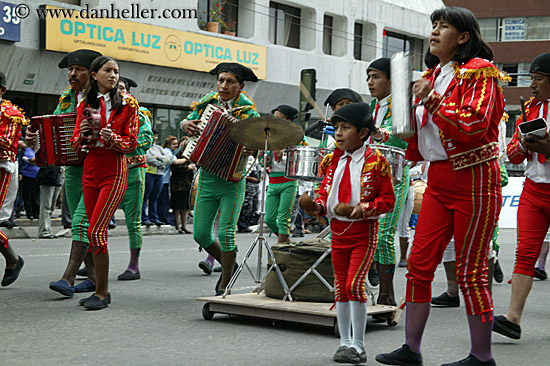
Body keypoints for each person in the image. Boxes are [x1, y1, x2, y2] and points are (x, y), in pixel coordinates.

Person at [376, 7, 507, 366]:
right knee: (419, 264)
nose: (434, 31)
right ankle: (411, 349)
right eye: (433, 25)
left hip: (476, 179)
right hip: (438, 179)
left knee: (472, 271)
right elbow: (418, 137)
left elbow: (473, 127)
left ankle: (482, 356)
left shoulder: (482, 73)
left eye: (443, 26)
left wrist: (430, 98)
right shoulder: (432, 74)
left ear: (463, 37)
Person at [302, 102, 396, 364]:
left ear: (364, 133)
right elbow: (325, 192)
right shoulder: (331, 159)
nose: (338, 133)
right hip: (338, 232)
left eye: (345, 128)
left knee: (354, 284)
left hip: (363, 232)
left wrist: (362, 209)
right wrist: (316, 205)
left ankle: (359, 344)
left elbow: (388, 200)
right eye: (337, 128)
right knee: (341, 288)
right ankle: (345, 344)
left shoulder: (377, 161)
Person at [26, 49, 102, 298]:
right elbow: (51, 131)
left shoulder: (110, 99)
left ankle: (68, 277)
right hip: (71, 170)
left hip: (100, 170)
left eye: (78, 69)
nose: (72, 74)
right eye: (70, 70)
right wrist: (34, 138)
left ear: (92, 73)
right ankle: (92, 278)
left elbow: (135, 140)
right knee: (85, 225)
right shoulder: (66, 99)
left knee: (81, 222)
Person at [180, 62, 259, 295]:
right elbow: (188, 121)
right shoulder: (207, 103)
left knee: (225, 233)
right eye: (221, 80)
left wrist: (252, 149)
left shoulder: (249, 113)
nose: (223, 85)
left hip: (232, 180)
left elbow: (256, 146)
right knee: (201, 234)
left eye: (230, 82)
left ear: (241, 86)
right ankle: (230, 267)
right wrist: (185, 124)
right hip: (207, 176)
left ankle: (225, 281)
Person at [71, 55, 139, 309]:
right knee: (93, 232)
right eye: (108, 71)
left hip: (115, 169)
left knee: (96, 231)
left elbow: (131, 143)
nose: (113, 75)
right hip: (90, 169)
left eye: (116, 71)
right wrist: (83, 136)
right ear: (95, 74)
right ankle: (100, 290)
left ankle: (102, 292)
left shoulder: (128, 104)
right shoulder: (85, 103)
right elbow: (76, 139)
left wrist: (112, 139)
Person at [494, 52, 550, 340]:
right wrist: (527, 145)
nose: (533, 85)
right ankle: (512, 318)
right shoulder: (529, 109)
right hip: (533, 189)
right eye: (532, 78)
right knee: (525, 253)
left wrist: (548, 148)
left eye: (538, 79)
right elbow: (513, 152)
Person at [367, 57, 409, 308]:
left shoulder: (402, 106)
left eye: (376, 77)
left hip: (395, 176)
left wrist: (380, 134)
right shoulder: (371, 106)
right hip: (369, 175)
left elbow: (404, 140)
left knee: (383, 236)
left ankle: (387, 294)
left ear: (391, 80)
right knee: (369, 233)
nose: (371, 82)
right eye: (368, 77)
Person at [115, 76, 154, 281]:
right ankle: (92, 261)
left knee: (133, 221)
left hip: (133, 171)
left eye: (122, 88)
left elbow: (146, 139)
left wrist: (120, 143)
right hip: (109, 171)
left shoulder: (140, 113)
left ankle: (133, 266)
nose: (119, 91)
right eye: (115, 88)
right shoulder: (104, 112)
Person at [0, 71, 27, 287]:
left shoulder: (10, 113)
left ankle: (12, 259)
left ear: (2, 91)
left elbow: (4, 141)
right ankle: (12, 259)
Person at [264, 105, 303, 243]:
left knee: (283, 219)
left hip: (288, 181)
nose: (275, 122)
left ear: (289, 121)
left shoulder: (297, 136)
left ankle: (281, 249)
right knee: (268, 219)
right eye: (273, 119)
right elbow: (265, 158)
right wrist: (265, 159)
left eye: (279, 119)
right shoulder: (269, 136)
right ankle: (286, 242)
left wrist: (286, 152)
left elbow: (302, 157)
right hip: (273, 181)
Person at [142, 129, 171, 226]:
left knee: (155, 197)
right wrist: (160, 161)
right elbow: (148, 158)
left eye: (155, 136)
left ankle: (154, 217)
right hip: (149, 173)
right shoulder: (145, 147)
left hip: (159, 174)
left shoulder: (158, 148)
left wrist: (157, 158)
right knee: (145, 196)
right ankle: (144, 218)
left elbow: (168, 159)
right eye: (152, 135)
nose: (154, 138)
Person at [170, 136, 196, 234]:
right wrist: (187, 167)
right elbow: (174, 167)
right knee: (177, 206)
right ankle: (178, 226)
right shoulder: (176, 155)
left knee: (185, 207)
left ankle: (184, 226)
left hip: (187, 184)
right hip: (178, 184)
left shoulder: (190, 155)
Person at [37, 165, 62, 239]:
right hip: (47, 176)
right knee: (46, 206)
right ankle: (44, 231)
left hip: (57, 176)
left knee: (51, 207)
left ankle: (48, 229)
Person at [20, 140, 40, 220]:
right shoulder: (28, 150)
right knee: (28, 196)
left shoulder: (36, 151)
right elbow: (31, 160)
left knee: (35, 196)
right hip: (28, 176)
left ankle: (36, 213)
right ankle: (29, 213)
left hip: (36, 176)